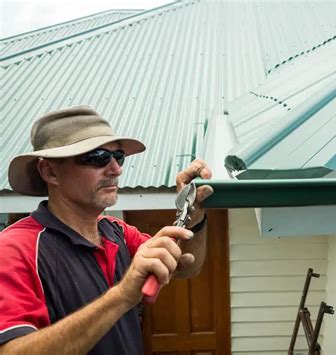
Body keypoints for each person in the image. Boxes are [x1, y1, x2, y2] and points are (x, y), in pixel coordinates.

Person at [0, 106, 214, 354]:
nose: (116, 169)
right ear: (50, 171)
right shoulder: (14, 249)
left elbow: (188, 265)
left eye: (118, 156)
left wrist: (194, 212)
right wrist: (122, 295)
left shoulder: (117, 232)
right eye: (97, 157)